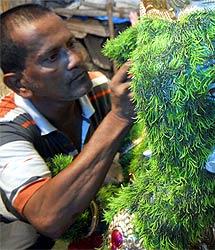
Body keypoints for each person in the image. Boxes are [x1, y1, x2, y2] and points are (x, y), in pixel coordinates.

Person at [0, 4, 135, 248]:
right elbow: (48, 218)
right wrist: (118, 118)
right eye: (52, 57)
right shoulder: (6, 128)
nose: (76, 59)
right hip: (20, 226)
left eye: (71, 44)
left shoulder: (99, 89)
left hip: (83, 212)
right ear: (20, 84)